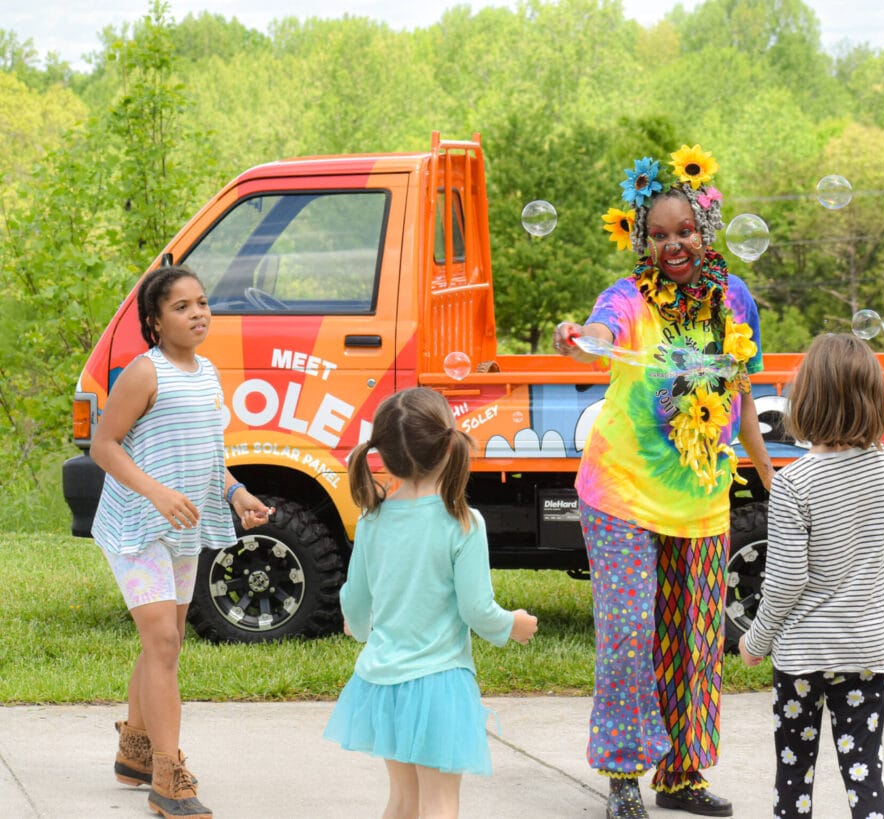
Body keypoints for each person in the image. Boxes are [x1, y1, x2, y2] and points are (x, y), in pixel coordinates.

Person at [554, 145, 774, 818]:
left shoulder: (735, 300)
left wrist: (773, 477)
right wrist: (582, 337)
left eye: (683, 231)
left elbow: (740, 401)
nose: (672, 244)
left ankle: (681, 775)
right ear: (642, 241)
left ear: (705, 230)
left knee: (697, 639)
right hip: (621, 491)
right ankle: (624, 773)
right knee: (629, 632)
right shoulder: (626, 298)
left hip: (702, 496)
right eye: (658, 235)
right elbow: (602, 329)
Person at [91, 265, 273, 819]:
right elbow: (104, 445)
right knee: (165, 642)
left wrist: (237, 491)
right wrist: (155, 493)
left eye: (201, 303)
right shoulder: (145, 374)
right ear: (155, 320)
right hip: (136, 528)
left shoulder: (207, 372)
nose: (197, 313)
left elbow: (203, 455)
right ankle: (168, 778)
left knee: (162, 643)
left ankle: (135, 752)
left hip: (183, 528)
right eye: (181, 306)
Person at [322, 387, 539, 819]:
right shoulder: (462, 521)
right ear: (447, 445)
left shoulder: (373, 518)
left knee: (402, 800)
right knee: (440, 802)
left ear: (382, 453)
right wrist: (512, 625)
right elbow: (476, 608)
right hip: (439, 684)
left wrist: (359, 626)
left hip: (383, 683)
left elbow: (357, 597)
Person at [737, 332, 884, 818]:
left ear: (807, 401)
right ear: (872, 400)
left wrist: (756, 640)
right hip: (864, 648)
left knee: (794, 772)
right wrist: (872, 606)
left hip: (802, 657)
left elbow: (787, 580)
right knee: (864, 770)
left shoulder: (795, 482)